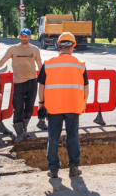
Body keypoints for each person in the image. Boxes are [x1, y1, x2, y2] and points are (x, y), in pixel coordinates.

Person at [37, 32, 89, 178]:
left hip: (53, 107)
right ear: (73, 47)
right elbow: (86, 88)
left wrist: (41, 103)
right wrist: (82, 104)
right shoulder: (80, 64)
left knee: (53, 138)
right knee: (72, 137)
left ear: (58, 46)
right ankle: (73, 167)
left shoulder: (48, 63)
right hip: (73, 107)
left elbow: (41, 86)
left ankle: (53, 170)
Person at [0, 28, 42, 141]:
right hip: (18, 82)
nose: (23, 38)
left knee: (29, 108)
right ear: (19, 36)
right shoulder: (13, 49)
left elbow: (39, 64)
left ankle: (24, 129)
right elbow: (2, 61)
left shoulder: (35, 49)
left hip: (32, 81)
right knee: (18, 107)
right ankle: (19, 133)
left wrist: (43, 77)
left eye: (26, 36)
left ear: (29, 37)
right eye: (22, 36)